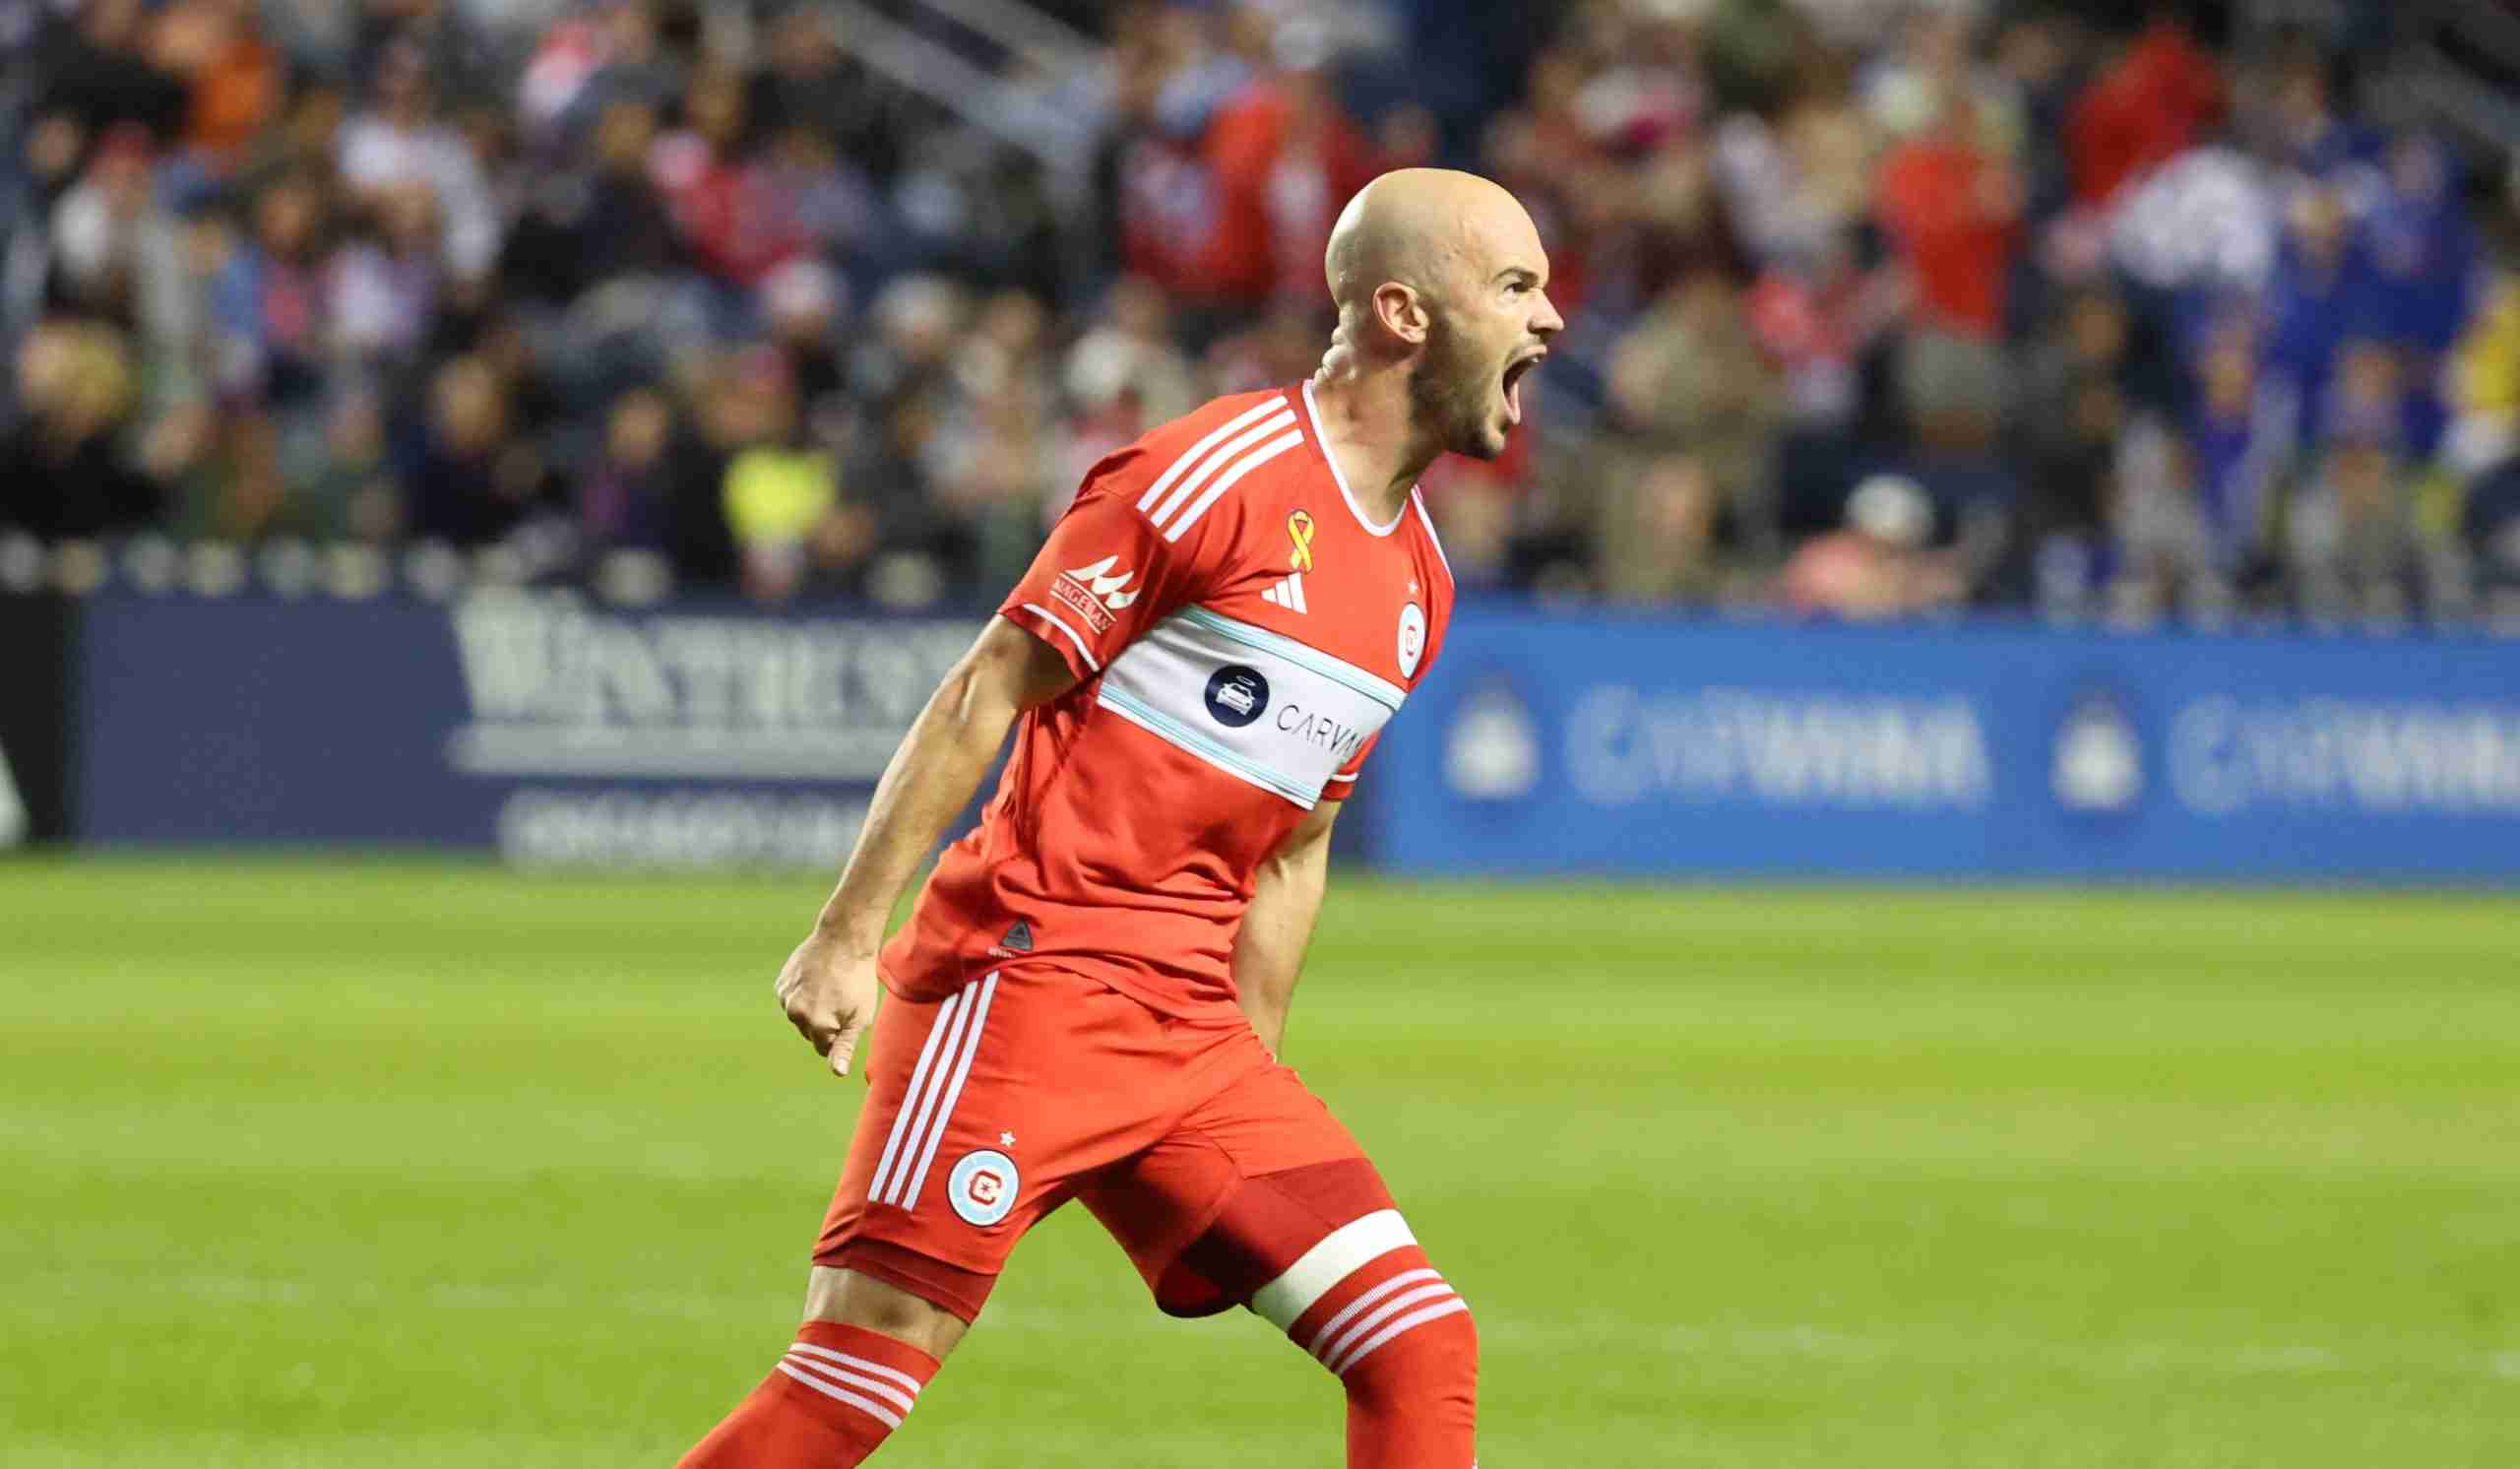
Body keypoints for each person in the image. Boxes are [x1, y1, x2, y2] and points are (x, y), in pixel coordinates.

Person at [677, 167, 1561, 1468]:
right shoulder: (1216, 474)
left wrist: (1250, 1064)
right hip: (1022, 987)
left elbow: (1296, 847)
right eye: (1518, 286)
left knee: (1419, 1344)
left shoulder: (1419, 581)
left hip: (1188, 1037)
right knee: (852, 1384)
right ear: (1407, 314)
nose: (1551, 321)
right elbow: (989, 686)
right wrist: (847, 935)